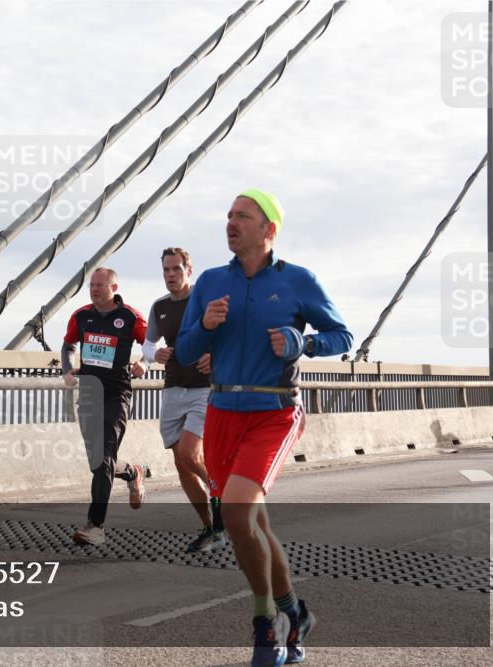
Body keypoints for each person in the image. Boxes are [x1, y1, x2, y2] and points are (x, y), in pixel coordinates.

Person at [177, 190, 352, 667]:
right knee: (252, 523)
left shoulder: (297, 280)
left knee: (236, 513)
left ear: (269, 230)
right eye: (229, 215)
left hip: (274, 411)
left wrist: (302, 342)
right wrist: (207, 325)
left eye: (243, 216)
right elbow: (187, 351)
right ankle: (295, 613)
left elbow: (342, 335)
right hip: (221, 412)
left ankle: (265, 623)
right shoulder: (211, 282)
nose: (231, 222)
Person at [142, 247, 226, 553]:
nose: (171, 276)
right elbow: (148, 345)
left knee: (191, 454)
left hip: (204, 389)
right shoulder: (159, 307)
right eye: (166, 270)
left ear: (189, 270)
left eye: (177, 269)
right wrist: (156, 354)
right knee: (181, 464)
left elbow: (229, 338)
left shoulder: (203, 301)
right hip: (173, 388)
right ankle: (211, 527)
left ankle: (227, 497)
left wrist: (214, 357)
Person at [63, 267, 148, 546]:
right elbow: (68, 345)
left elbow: (151, 345)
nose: (94, 289)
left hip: (116, 394)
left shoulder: (130, 317)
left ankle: (96, 526)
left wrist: (144, 364)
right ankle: (133, 472)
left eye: (100, 285)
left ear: (114, 287)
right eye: (91, 285)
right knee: (97, 460)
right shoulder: (81, 315)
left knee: (102, 459)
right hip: (88, 393)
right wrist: (66, 369)